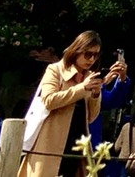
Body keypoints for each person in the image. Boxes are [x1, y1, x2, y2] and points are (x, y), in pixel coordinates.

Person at [20, 31, 113, 177]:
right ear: (77, 50)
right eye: (88, 54)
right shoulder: (55, 70)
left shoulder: (89, 76)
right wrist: (82, 88)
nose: (92, 59)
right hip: (50, 144)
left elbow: (90, 118)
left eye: (96, 55)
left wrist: (95, 94)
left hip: (76, 146)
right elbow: (49, 100)